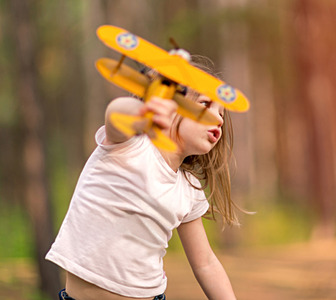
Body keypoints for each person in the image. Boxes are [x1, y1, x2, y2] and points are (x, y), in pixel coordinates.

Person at [46, 56, 241, 300]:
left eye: (221, 113)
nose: (219, 119)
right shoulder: (127, 146)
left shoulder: (188, 190)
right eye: (205, 104)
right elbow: (116, 113)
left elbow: (206, 263)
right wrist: (148, 108)